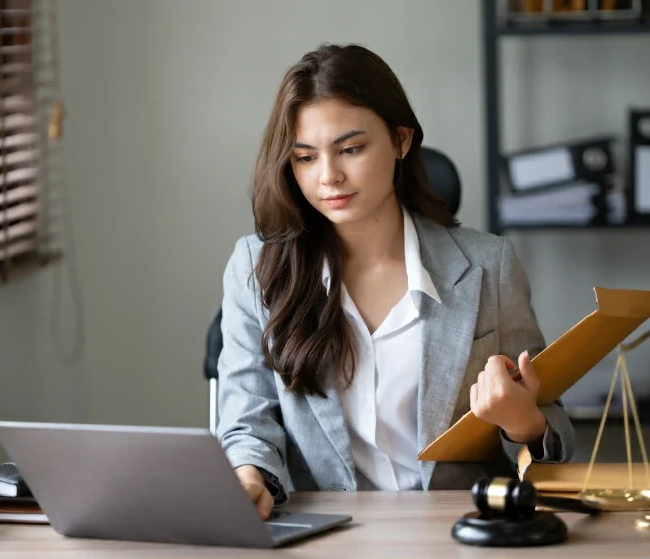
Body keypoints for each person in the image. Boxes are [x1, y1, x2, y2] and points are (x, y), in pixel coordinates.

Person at [215, 43, 575, 520]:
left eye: (350, 149)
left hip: (455, 532)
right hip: (324, 536)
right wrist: (248, 476)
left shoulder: (489, 265)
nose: (329, 177)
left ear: (401, 140)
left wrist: (523, 426)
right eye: (305, 157)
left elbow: (556, 431)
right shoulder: (255, 268)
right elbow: (246, 422)